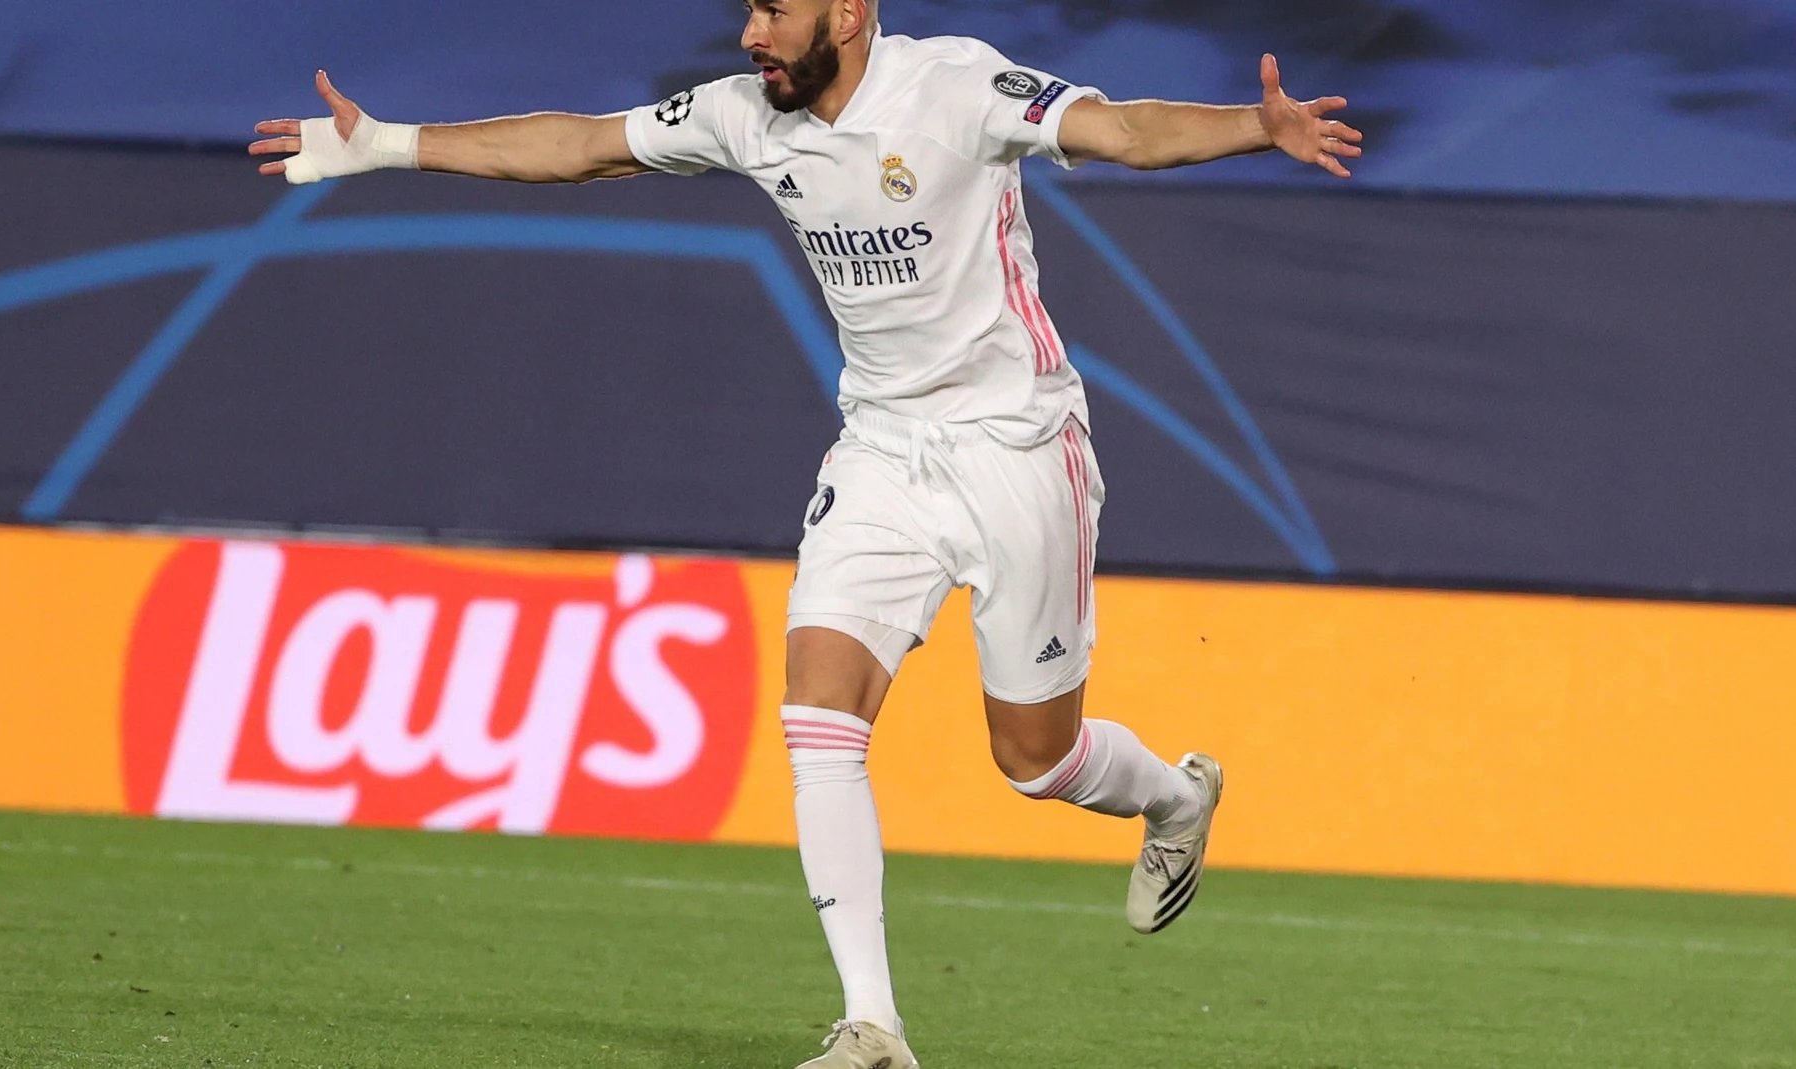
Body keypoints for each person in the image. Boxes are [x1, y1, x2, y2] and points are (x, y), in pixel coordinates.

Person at [253, 2, 1360, 1065]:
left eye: (774, 12)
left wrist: (1254, 129)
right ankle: (871, 1029)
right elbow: (580, 145)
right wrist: (386, 142)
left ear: (847, 13)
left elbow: (1119, 128)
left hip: (1016, 451)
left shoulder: (958, 86)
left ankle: (1175, 795)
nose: (750, 36)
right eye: (748, 11)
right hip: (881, 451)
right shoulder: (745, 112)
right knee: (816, 713)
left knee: (1035, 760)